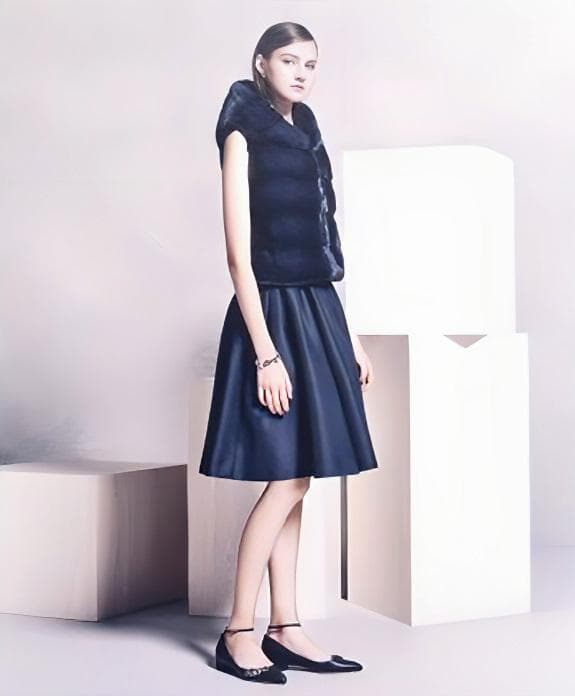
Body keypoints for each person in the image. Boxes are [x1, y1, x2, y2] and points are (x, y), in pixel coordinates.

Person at [199, 21, 379, 684]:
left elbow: (326, 243)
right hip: (271, 313)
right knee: (287, 478)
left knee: (298, 476)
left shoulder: (307, 130)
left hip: (318, 311)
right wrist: (265, 355)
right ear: (260, 63)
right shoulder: (241, 133)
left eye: (311, 63)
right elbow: (237, 258)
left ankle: (286, 626)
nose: (302, 73)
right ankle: (237, 632)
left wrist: (348, 336)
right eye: (289, 60)